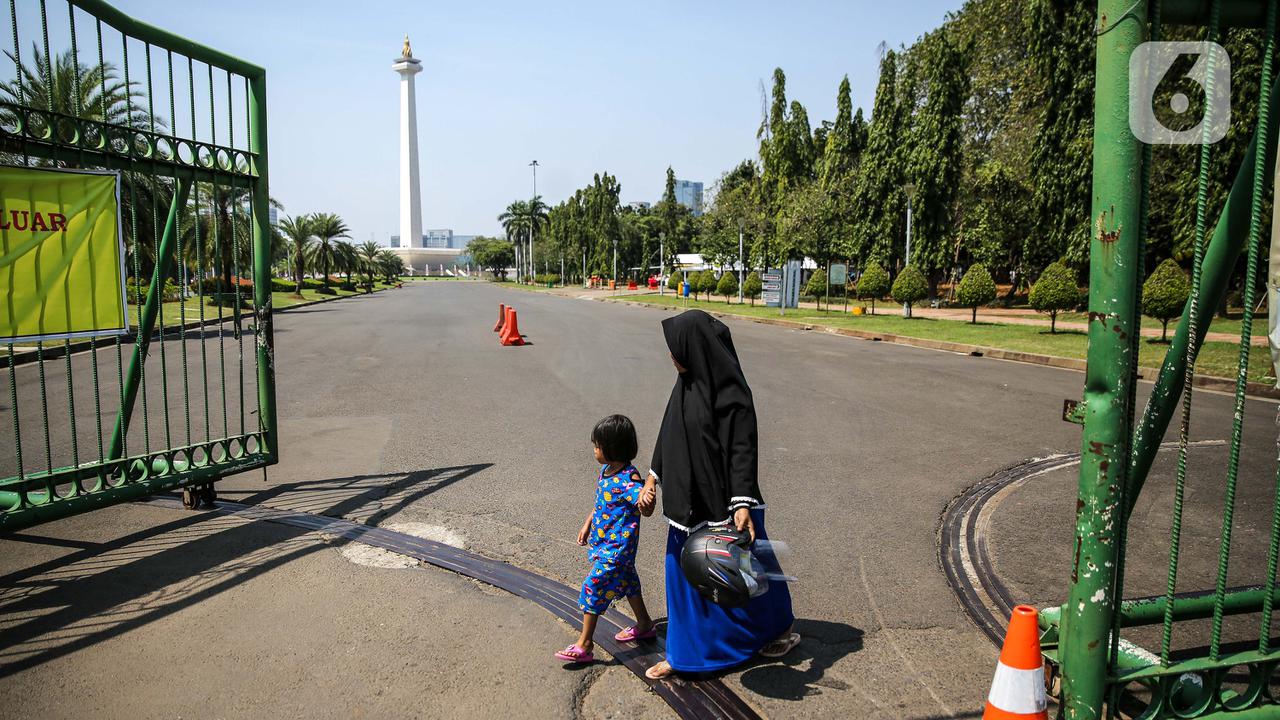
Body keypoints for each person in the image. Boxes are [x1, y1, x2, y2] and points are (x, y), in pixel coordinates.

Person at [641, 310, 799, 680]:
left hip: (726, 503)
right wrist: (652, 477)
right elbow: (668, 434)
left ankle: (777, 629)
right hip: (686, 503)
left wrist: (741, 502)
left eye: (676, 347)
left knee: (748, 576)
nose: (671, 355)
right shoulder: (685, 384)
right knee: (683, 575)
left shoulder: (732, 393)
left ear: (695, 348)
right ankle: (684, 654)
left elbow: (742, 448)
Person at [555, 414, 658, 664]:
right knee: (629, 582)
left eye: (597, 446)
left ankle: (585, 644)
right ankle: (644, 623)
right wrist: (587, 523)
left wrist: (647, 499)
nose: (594, 450)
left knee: (593, 586)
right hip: (607, 544)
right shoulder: (607, 471)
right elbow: (601, 502)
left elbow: (644, 506)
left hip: (617, 550)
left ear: (612, 448)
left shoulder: (629, 479)